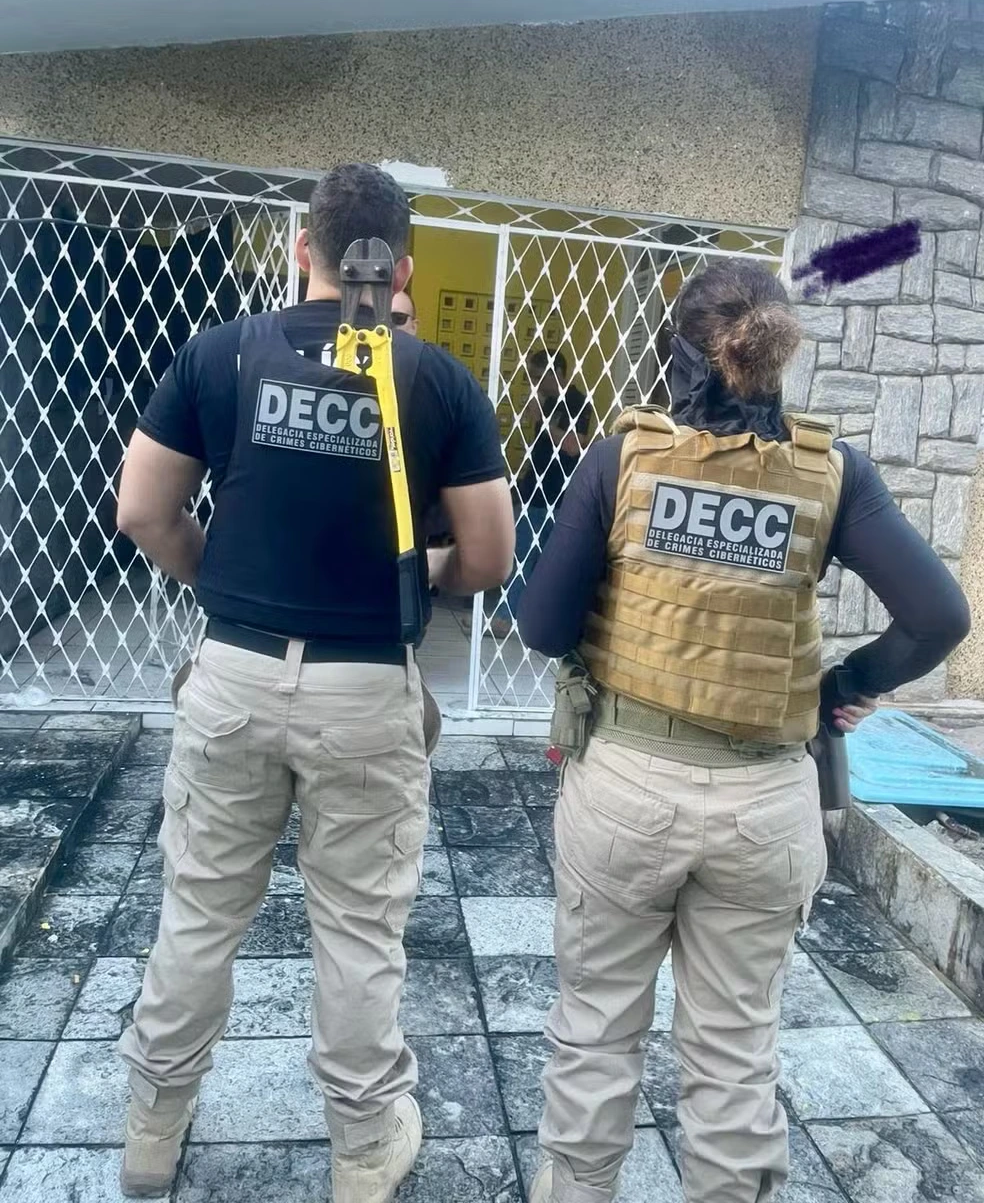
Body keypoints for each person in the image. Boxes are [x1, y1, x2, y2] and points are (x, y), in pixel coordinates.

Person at [518, 257, 971, 1203]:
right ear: (775, 356)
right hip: (768, 806)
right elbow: (938, 617)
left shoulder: (622, 459)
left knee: (596, 1030)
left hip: (627, 790)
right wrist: (843, 683)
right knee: (734, 1054)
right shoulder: (833, 474)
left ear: (677, 350)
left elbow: (544, 629)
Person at [115, 162, 514, 1202]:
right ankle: (363, 1146)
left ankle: (152, 1128)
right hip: (366, 691)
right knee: (358, 931)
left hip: (234, 673)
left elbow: (143, 511)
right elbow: (488, 558)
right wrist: (421, 569)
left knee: (199, 911)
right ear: (403, 269)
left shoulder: (220, 354)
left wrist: (224, 580)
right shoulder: (438, 382)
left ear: (304, 249)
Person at [489, 350, 593, 637]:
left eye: (537, 377)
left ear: (556, 373)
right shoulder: (548, 402)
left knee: (531, 559)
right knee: (524, 556)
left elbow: (574, 446)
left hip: (557, 494)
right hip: (534, 491)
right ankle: (511, 617)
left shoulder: (577, 402)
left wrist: (543, 419)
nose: (534, 383)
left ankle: (507, 618)